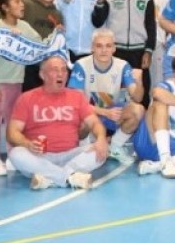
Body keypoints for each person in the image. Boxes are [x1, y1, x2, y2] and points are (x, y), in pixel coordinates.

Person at [6, 55, 108, 190]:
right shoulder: (26, 98)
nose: (61, 74)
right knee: (16, 154)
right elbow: (11, 133)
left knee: (101, 150)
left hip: (71, 155)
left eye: (64, 70)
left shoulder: (77, 97)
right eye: (55, 70)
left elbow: (95, 124)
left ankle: (49, 178)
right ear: (43, 75)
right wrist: (27, 144)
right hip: (39, 156)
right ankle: (70, 177)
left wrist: (101, 139)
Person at [0, 0, 44, 177]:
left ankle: (12, 154)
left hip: (16, 82)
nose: (22, 4)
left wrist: (56, 35)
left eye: (22, 1)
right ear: (4, 7)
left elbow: (39, 43)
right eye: (17, 1)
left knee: (13, 122)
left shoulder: (24, 26)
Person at [66, 29, 145, 165]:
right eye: (99, 46)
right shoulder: (81, 66)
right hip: (90, 115)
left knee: (138, 110)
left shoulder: (123, 65)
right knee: (81, 116)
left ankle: (115, 146)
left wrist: (138, 81)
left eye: (108, 46)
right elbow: (76, 102)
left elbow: (137, 98)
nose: (104, 50)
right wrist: (104, 112)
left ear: (114, 48)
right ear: (92, 48)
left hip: (111, 113)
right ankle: (84, 145)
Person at [92, 0, 155, 77]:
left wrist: (148, 51)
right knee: (117, 91)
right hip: (116, 51)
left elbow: (151, 26)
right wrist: (100, 0)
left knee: (141, 91)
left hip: (139, 51)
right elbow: (97, 22)